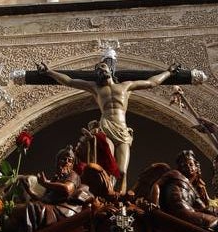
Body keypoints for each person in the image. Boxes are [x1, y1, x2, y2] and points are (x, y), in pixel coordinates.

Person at [38, 57, 175, 192]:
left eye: (102, 67)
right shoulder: (95, 88)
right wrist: (49, 72)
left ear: (110, 69)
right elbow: (69, 81)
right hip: (106, 127)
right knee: (107, 166)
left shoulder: (125, 86)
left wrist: (169, 72)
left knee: (122, 171)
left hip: (122, 130)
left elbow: (151, 83)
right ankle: (107, 194)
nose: (99, 70)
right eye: (97, 69)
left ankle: (119, 200)